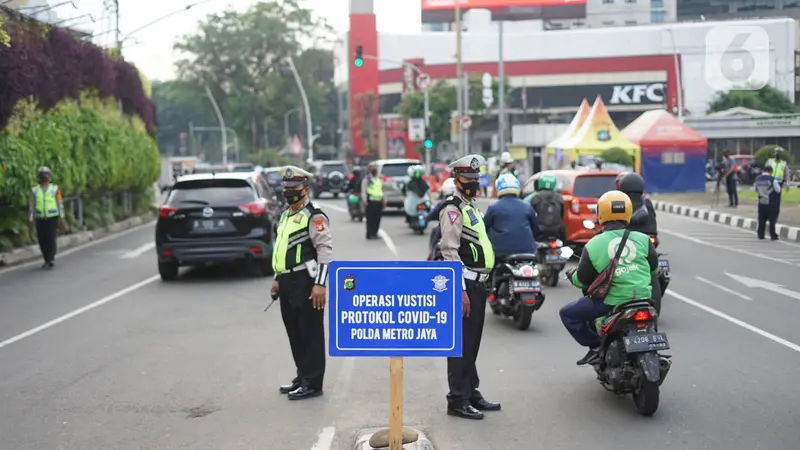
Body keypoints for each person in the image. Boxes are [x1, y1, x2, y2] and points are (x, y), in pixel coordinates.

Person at [560, 190, 658, 366]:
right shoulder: (643, 240)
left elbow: (582, 281)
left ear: (601, 213)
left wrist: (572, 276)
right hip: (644, 299)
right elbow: (654, 270)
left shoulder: (594, 244)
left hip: (612, 302)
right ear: (628, 212)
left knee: (567, 314)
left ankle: (596, 346)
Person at [439, 154, 500, 420]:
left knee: (472, 343)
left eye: (476, 178)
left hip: (479, 284)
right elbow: (449, 252)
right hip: (465, 286)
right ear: (456, 180)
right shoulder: (452, 209)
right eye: (468, 179)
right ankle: (457, 399)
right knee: (460, 345)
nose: (474, 183)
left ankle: (471, 391)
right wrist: (459, 289)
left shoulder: (471, 207)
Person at [271, 166, 333, 400]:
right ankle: (302, 375)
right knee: (294, 332)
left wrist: (320, 284)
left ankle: (313, 382)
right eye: (285, 188)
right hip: (287, 280)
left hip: (306, 281)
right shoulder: (286, 214)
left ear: (305, 189)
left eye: (294, 188)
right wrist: (277, 279)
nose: (288, 192)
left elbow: (325, 251)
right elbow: (281, 249)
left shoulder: (314, 216)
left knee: (310, 332)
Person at [484, 174, 538, 261]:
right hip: (528, 251)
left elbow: (484, 228)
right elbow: (535, 228)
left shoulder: (493, 207)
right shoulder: (527, 206)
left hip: (500, 253)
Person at [28, 166, 66, 269]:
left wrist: (61, 218)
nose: (44, 176)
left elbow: (59, 204)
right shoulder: (35, 190)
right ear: (39, 177)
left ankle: (51, 259)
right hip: (40, 219)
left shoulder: (55, 189)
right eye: (42, 175)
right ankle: (46, 259)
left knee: (51, 238)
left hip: (52, 218)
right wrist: (30, 218)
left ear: (49, 176)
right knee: (42, 240)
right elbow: (31, 206)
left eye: (46, 174)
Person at [426, 178, 456, 260]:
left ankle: (431, 256)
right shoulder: (465, 203)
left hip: (446, 232)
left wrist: (427, 218)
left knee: (435, 231)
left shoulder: (443, 203)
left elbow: (431, 215)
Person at [530, 173, 565, 242]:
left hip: (539, 233)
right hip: (556, 232)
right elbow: (562, 215)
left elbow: (530, 215)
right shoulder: (559, 197)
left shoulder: (536, 197)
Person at [754, 165, 781, 241]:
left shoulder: (757, 179)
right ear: (770, 171)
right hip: (771, 203)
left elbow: (755, 189)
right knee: (772, 220)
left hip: (761, 202)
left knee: (761, 219)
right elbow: (778, 190)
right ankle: (773, 235)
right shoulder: (773, 180)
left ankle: (760, 234)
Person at [361, 162, 386, 240]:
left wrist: (384, 200)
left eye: (375, 167)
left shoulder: (379, 179)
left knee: (377, 219)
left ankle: (375, 232)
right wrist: (364, 200)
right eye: (373, 167)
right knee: (370, 219)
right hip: (370, 202)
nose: (375, 169)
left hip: (378, 202)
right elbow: (363, 191)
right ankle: (370, 233)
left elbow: (382, 190)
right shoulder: (367, 180)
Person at [766, 147, 791, 217]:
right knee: (769, 200)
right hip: (769, 183)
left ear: (781, 155)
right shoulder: (769, 161)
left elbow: (787, 174)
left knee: (776, 201)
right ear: (774, 153)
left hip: (778, 184)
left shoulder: (784, 163)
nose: (777, 154)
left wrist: (787, 184)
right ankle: (769, 214)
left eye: (779, 153)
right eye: (776, 152)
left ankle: (775, 215)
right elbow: (765, 171)